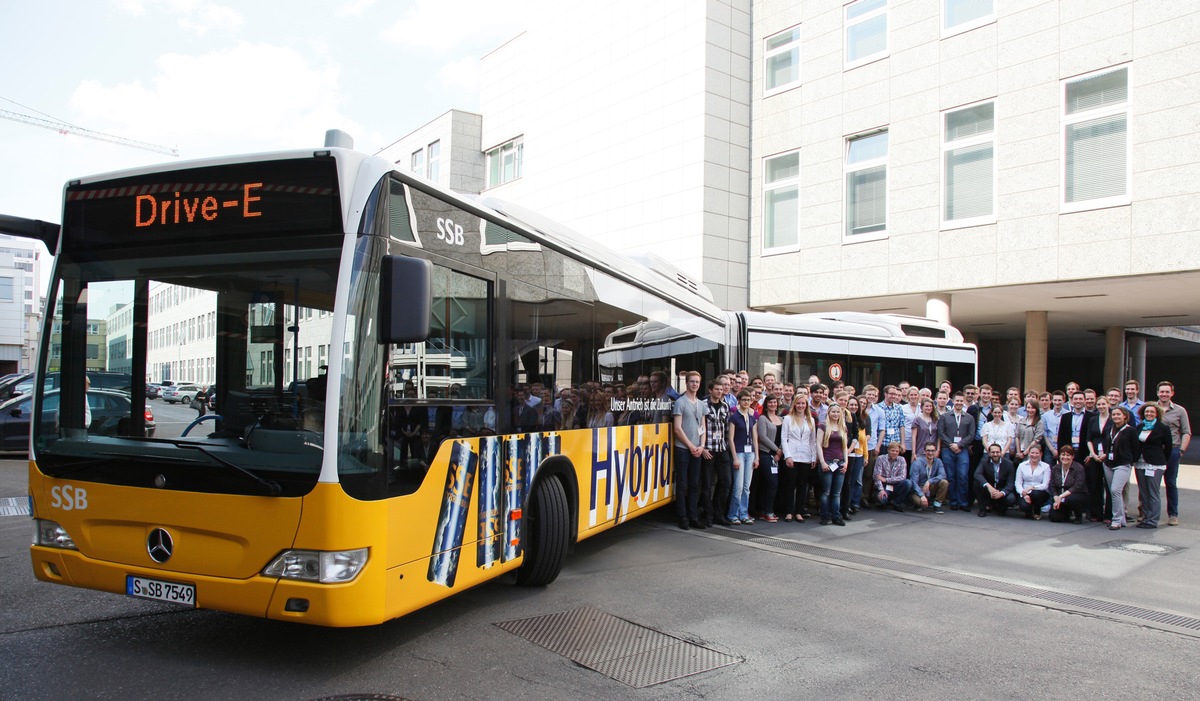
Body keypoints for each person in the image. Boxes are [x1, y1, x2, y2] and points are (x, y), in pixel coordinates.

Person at [672, 371, 709, 530]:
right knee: (682, 483)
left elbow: (703, 427)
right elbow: (677, 428)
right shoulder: (680, 402)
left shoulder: (702, 404)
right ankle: (683, 517)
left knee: (694, 484)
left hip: (697, 449)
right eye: (692, 381)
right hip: (683, 449)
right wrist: (691, 446)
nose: (694, 384)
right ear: (686, 383)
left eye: (697, 382)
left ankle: (693, 516)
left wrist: (701, 445)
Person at [1156, 381, 1191, 527]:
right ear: (1157, 393)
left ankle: (1173, 514)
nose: (1164, 394)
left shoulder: (1180, 410)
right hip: (1155, 451)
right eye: (1162, 391)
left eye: (1167, 392)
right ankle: (1148, 513)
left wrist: (1181, 450)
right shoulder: (1151, 408)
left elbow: (1186, 432)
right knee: (1152, 483)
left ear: (1172, 393)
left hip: (1173, 450)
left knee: (1170, 483)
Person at [701, 378, 733, 527]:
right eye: (717, 389)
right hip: (708, 449)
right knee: (707, 484)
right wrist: (702, 447)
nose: (720, 392)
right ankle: (708, 515)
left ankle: (719, 514)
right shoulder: (703, 405)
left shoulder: (725, 406)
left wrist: (726, 445)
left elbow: (727, 428)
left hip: (722, 448)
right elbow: (699, 427)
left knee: (726, 482)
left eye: (721, 390)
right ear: (710, 390)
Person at [1134, 403, 1172, 529]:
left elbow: (1168, 447)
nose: (1149, 414)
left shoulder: (1163, 428)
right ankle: (1145, 518)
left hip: (1155, 464)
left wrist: (1161, 460)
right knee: (1143, 493)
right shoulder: (1139, 427)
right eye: (1146, 412)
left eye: (1152, 412)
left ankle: (1152, 520)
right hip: (1140, 463)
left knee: (1153, 493)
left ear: (1157, 414)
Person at [781, 395, 818, 522]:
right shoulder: (787, 419)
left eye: (803, 403)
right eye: (799, 403)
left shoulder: (810, 420)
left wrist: (814, 457)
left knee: (803, 485)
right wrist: (788, 456)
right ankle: (788, 512)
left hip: (806, 456)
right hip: (792, 454)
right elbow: (784, 439)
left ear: (806, 405)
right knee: (790, 485)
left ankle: (799, 511)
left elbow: (812, 441)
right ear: (794, 404)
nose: (801, 406)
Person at [938, 391, 976, 511]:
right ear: (953, 401)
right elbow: (941, 433)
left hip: (963, 450)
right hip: (947, 450)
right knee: (951, 476)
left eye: (961, 400)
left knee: (963, 476)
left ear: (963, 401)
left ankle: (963, 502)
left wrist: (959, 445)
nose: (959, 403)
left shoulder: (969, 418)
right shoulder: (944, 416)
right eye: (957, 400)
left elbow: (971, 435)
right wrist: (951, 445)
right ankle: (953, 501)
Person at [726, 390, 759, 525]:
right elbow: (731, 439)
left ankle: (744, 513)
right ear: (739, 401)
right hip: (739, 452)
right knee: (738, 486)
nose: (746, 402)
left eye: (748, 399)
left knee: (746, 487)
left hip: (750, 453)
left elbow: (755, 438)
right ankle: (733, 514)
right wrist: (734, 458)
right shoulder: (734, 417)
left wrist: (757, 457)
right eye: (744, 399)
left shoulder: (752, 418)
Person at [815, 403, 849, 525]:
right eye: (833, 412)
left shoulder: (843, 427)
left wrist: (846, 462)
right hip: (827, 462)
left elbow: (844, 446)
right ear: (829, 413)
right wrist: (823, 462)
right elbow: (818, 444)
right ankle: (825, 516)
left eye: (837, 412)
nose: (835, 414)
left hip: (839, 462)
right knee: (826, 491)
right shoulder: (823, 426)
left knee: (836, 493)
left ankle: (836, 516)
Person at [1105, 406, 1138, 531]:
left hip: (1123, 464)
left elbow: (1136, 449)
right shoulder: (1110, 429)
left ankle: (1116, 519)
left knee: (1115, 491)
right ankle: (1122, 519)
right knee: (1113, 492)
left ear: (1125, 416)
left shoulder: (1131, 431)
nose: (1116, 417)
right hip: (1108, 464)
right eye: (1114, 415)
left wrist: (1129, 461)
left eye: (1118, 414)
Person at [755, 394, 784, 523]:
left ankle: (765, 510)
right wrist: (776, 450)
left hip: (779, 455)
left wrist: (780, 451)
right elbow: (763, 436)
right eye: (770, 402)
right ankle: (767, 511)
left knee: (772, 484)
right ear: (766, 404)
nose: (773, 404)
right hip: (766, 454)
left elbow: (785, 436)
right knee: (772, 483)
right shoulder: (763, 418)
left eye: (775, 402)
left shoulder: (782, 419)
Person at [974, 442, 1016, 517]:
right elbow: (977, 474)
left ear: (1001, 452)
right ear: (989, 453)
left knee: (1011, 498)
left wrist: (1001, 493)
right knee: (976, 484)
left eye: (997, 452)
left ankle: (1001, 508)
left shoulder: (1009, 464)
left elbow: (1010, 484)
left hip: (1001, 489)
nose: (995, 454)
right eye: (993, 452)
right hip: (989, 489)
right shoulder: (984, 461)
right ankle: (982, 509)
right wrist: (989, 487)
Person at [1049, 445, 1088, 523]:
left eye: (1068, 455)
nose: (1065, 457)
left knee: (1071, 499)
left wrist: (1061, 496)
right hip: (1060, 496)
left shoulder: (1079, 468)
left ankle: (1078, 516)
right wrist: (1056, 498)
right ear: (1059, 456)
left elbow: (1077, 486)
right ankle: (1066, 513)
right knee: (1054, 517)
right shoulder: (1055, 468)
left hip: (1076, 495)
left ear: (1072, 456)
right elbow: (1052, 485)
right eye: (1063, 455)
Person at [909, 442, 949, 513]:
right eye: (928, 450)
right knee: (920, 502)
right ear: (924, 451)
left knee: (944, 482)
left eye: (932, 450)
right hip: (919, 488)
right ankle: (918, 503)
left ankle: (937, 505)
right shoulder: (917, 463)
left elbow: (943, 475)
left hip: (930, 486)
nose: (930, 453)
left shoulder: (938, 461)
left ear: (935, 451)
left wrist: (929, 481)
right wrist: (921, 495)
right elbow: (913, 482)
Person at [1015, 444, 1052, 520]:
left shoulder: (1046, 466)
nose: (1034, 455)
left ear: (1041, 454)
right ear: (1029, 453)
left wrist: (1032, 488)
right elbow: (1018, 483)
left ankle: (1037, 511)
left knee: (1035, 494)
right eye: (1032, 453)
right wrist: (1023, 493)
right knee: (1024, 506)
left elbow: (1045, 485)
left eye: (1036, 453)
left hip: (1040, 492)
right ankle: (1028, 510)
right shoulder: (1021, 465)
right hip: (1024, 492)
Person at [873, 441, 912, 512]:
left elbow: (902, 476)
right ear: (888, 450)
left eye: (897, 451)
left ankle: (896, 502)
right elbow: (877, 477)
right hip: (884, 486)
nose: (895, 453)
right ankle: (883, 501)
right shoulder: (880, 459)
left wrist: (886, 480)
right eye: (892, 451)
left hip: (895, 485)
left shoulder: (902, 460)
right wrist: (881, 490)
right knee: (882, 499)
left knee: (908, 483)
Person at [1013, 399, 1044, 465]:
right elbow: (1017, 436)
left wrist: (1024, 453)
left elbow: (1036, 440)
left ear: (1036, 409)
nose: (1030, 410)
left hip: (1032, 452)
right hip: (1019, 451)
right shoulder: (1021, 420)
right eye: (1028, 407)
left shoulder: (1039, 422)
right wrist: (1019, 452)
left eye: (1032, 408)